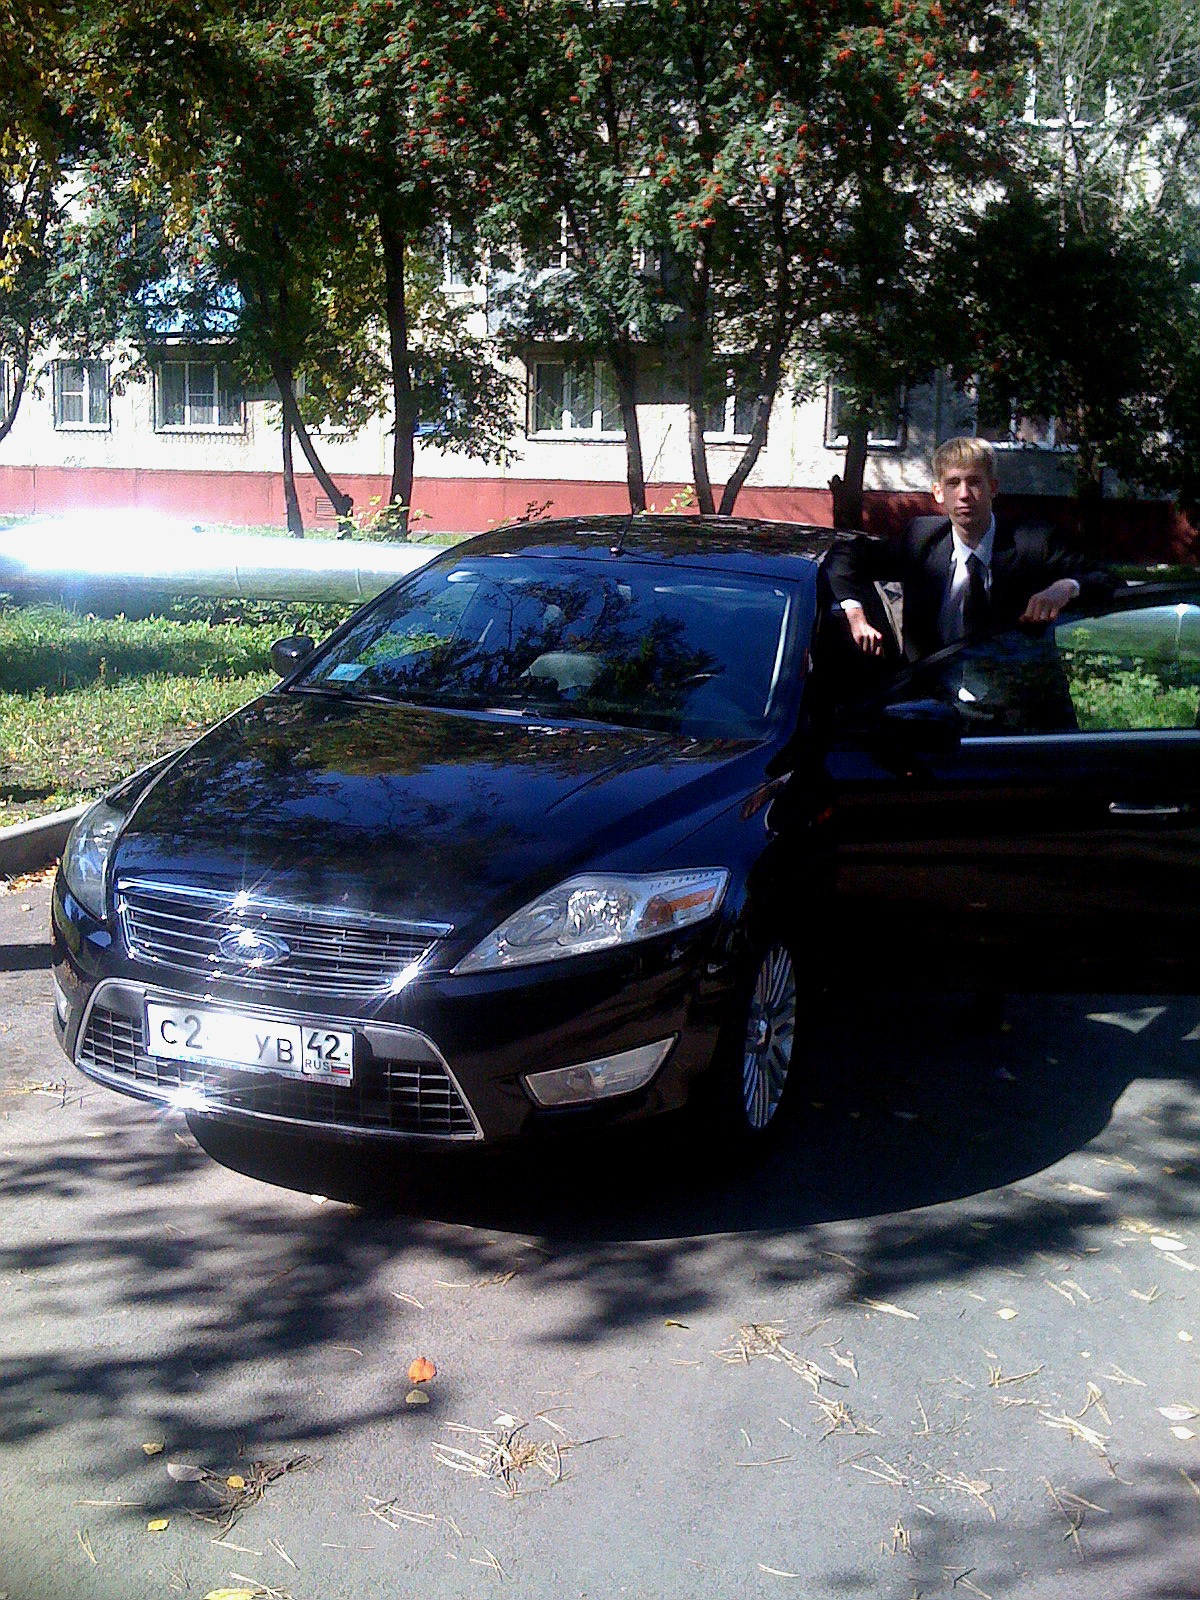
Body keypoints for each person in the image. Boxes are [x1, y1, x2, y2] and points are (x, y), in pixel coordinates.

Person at [823, 436, 1117, 662]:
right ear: (938, 493)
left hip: (1015, 701)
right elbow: (843, 556)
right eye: (953, 483)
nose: (964, 494)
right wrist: (855, 613)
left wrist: (1066, 587)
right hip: (931, 700)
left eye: (974, 483)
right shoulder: (921, 539)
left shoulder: (1033, 542)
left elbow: (1108, 579)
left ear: (993, 488)